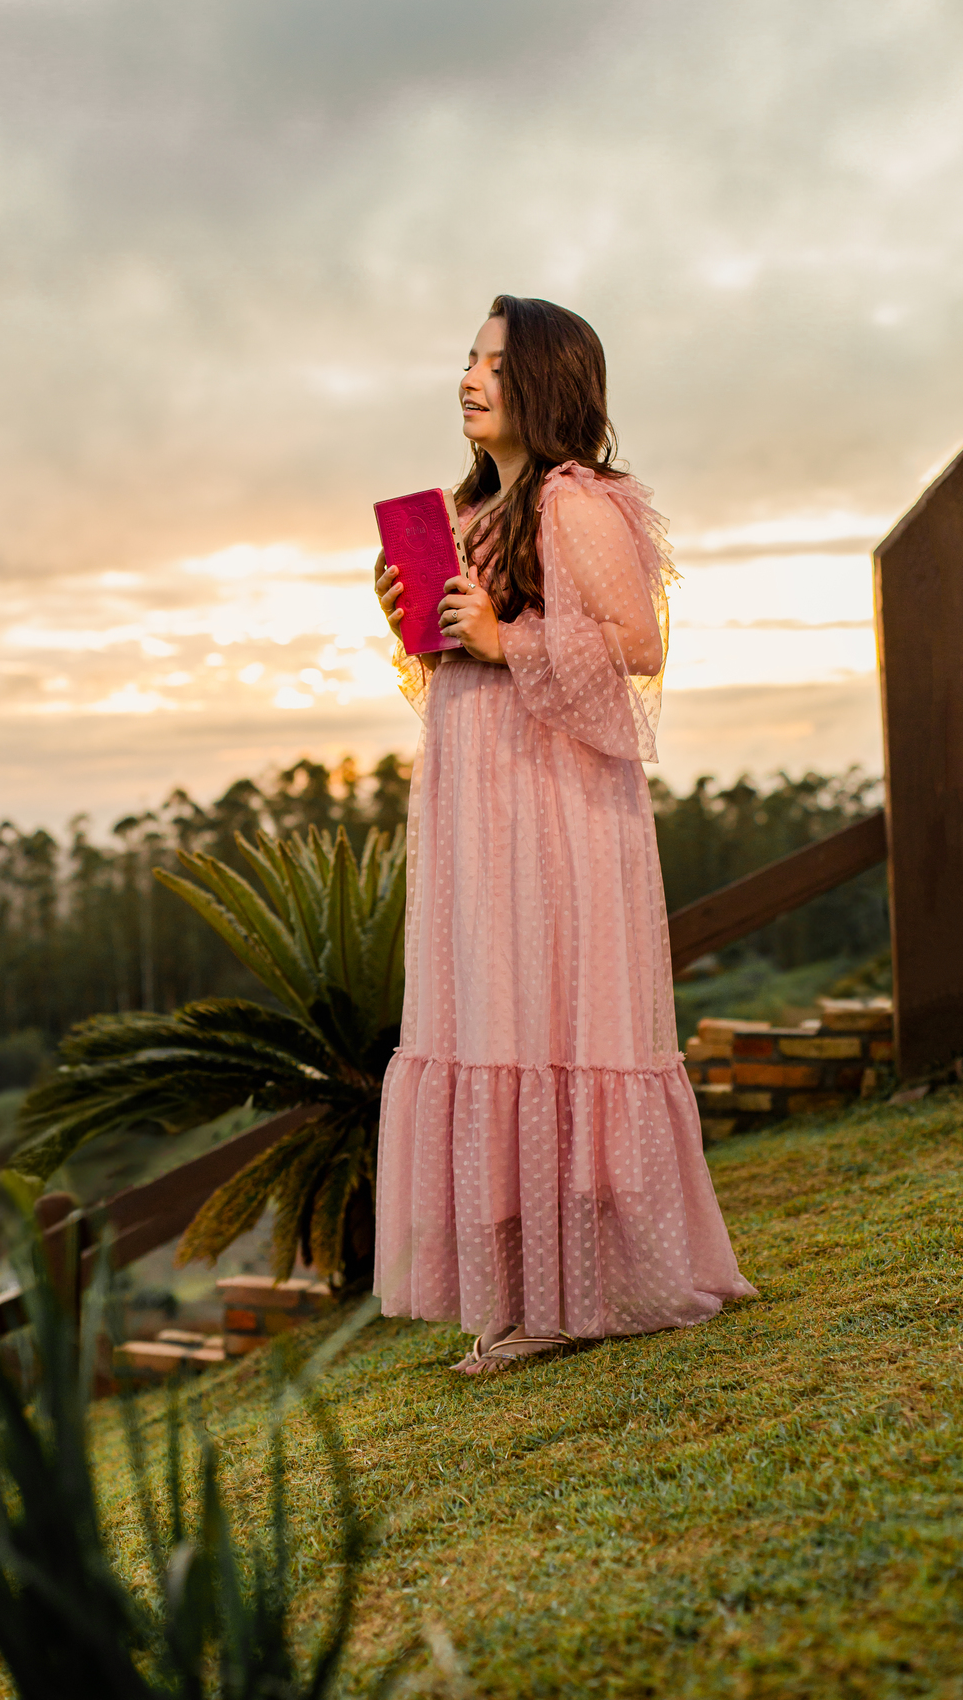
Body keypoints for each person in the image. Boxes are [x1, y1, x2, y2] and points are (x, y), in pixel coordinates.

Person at [371, 294, 756, 1376]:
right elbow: (461, 664)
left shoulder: (575, 501)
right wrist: (422, 617)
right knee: (493, 1012)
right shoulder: (470, 510)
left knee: (551, 1017)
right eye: (467, 357)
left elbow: (635, 644)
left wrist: (503, 638)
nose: (469, 376)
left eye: (494, 361)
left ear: (545, 380)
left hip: (556, 807)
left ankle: (568, 1296)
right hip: (480, 798)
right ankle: (525, 1288)